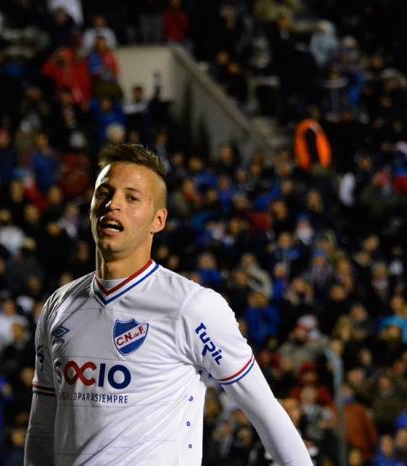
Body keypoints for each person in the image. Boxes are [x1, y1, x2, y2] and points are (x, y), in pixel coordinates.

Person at [24, 144, 312, 465]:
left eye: (131, 198)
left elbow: (265, 410)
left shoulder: (192, 307)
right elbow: (41, 426)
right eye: (104, 192)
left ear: (158, 221)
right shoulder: (58, 307)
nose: (112, 204)